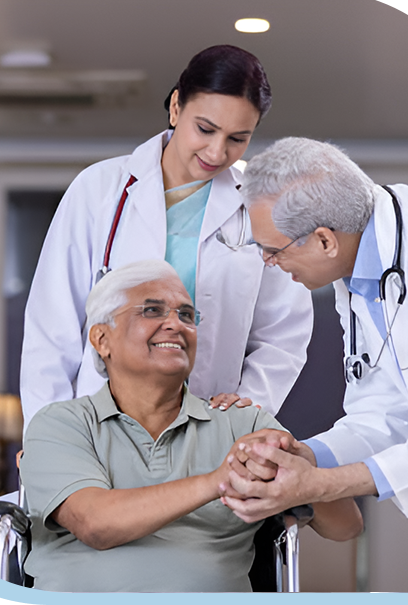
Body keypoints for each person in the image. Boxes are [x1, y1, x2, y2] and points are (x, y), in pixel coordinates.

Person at [219, 137, 408, 555]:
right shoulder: (361, 271)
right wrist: (305, 456)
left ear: (325, 240)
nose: (267, 263)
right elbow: (384, 411)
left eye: (272, 251)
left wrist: (320, 485)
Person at [20, 260, 362, 592]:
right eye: (152, 310)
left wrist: (302, 465)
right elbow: (95, 524)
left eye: (186, 315)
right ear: (101, 339)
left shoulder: (242, 424)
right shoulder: (60, 425)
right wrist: (219, 481)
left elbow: (346, 527)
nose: (176, 324)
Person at [20, 45, 313, 428]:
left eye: (237, 138)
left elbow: (283, 332)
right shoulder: (100, 189)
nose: (216, 151)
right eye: (205, 129)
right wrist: (46, 436)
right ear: (176, 107)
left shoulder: (258, 209)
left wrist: (249, 402)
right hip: (99, 425)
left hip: (209, 425)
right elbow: (52, 325)